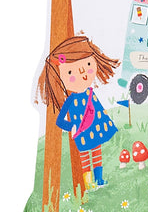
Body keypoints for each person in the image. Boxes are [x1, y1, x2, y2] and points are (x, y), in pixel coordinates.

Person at [38, 34, 120, 189]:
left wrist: (106, 121)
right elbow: (59, 121)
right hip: (81, 132)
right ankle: (88, 184)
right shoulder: (70, 100)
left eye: (88, 64)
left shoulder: (90, 93)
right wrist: (71, 127)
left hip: (95, 129)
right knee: (85, 158)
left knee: (97, 153)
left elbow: (98, 110)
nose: (83, 73)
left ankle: (99, 179)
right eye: (70, 72)